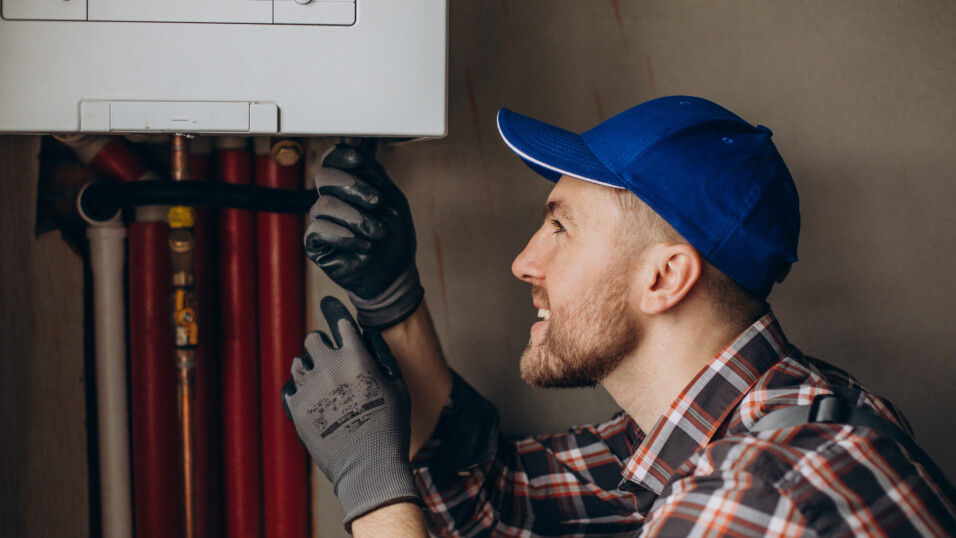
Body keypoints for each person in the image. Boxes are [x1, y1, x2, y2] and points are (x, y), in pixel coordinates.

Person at [282, 96, 956, 536]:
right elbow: (491, 498)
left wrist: (373, 487)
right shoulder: (769, 410)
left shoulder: (758, 498)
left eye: (561, 228)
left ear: (664, 278)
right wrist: (392, 296)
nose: (523, 262)